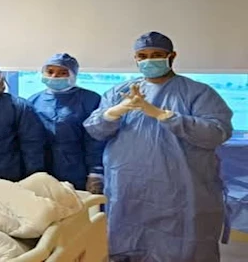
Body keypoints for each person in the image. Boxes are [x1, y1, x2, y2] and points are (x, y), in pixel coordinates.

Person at [83, 32, 233, 262]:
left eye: (156, 55)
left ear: (172, 56)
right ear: (135, 58)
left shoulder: (198, 93)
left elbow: (216, 133)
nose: (149, 60)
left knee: (185, 245)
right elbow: (95, 130)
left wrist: (164, 115)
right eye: (142, 56)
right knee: (129, 241)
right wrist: (115, 111)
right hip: (129, 187)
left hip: (181, 190)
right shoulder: (119, 93)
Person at [28, 53, 104, 192]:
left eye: (62, 72)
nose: (54, 76)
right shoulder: (33, 100)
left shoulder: (90, 99)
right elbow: (29, 139)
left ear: (73, 75)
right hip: (43, 166)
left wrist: (95, 172)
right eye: (50, 71)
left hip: (78, 167)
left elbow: (96, 138)